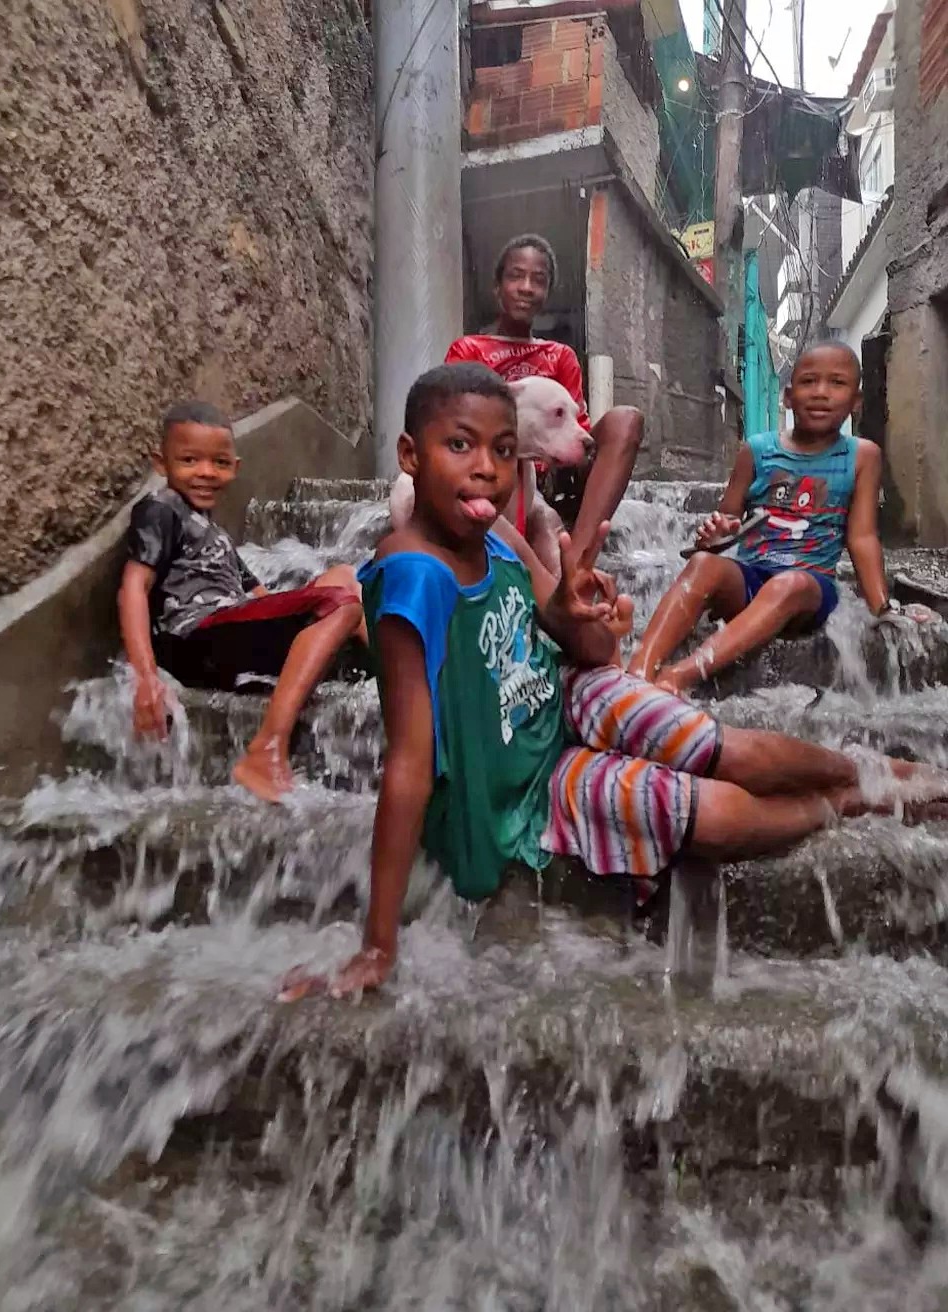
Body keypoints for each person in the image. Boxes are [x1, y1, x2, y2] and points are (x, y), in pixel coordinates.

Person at [278, 363, 948, 1000]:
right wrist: (378, 945)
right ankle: (844, 802)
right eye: (460, 445)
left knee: (717, 744)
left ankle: (879, 775)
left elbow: (580, 639)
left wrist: (587, 614)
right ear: (409, 455)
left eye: (504, 451)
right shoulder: (412, 577)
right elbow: (409, 761)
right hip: (527, 786)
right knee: (708, 815)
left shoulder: (500, 538)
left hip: (567, 696)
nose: (486, 469)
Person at [628, 342, 921, 694]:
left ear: (856, 402)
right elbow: (724, 525)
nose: (821, 393)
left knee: (790, 584)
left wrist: (882, 607)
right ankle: (637, 672)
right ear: (787, 396)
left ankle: (681, 675)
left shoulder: (862, 456)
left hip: (809, 590)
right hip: (751, 579)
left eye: (837, 383)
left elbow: (861, 538)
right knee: (704, 565)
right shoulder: (757, 450)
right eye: (809, 382)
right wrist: (711, 538)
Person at [117, 401, 365, 802]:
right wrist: (145, 676)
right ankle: (266, 747)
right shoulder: (161, 509)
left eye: (218, 462)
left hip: (230, 631)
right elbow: (133, 587)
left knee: (344, 578)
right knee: (340, 604)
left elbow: (261, 600)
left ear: (235, 466)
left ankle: (397, 686)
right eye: (189, 460)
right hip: (194, 640)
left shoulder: (215, 534)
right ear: (161, 463)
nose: (205, 472)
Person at [446, 233, 643, 567]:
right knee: (543, 523)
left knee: (627, 419)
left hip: (554, 477)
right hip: (493, 478)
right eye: (515, 276)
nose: (526, 287)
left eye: (538, 280)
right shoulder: (470, 350)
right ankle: (560, 587)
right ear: (497, 288)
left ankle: (579, 560)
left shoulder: (560, 356)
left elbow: (577, 432)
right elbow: (453, 430)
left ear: (547, 293)